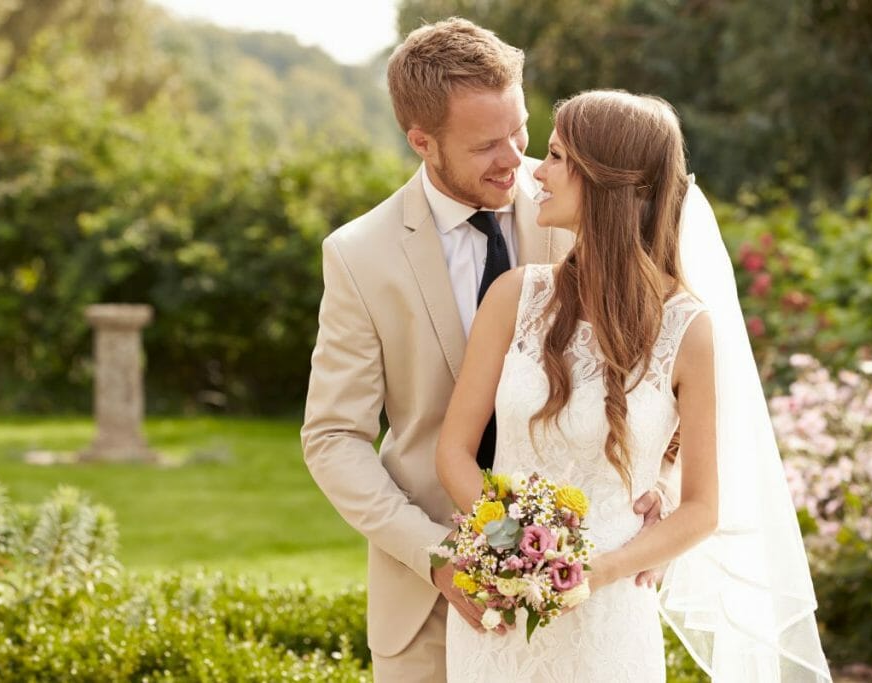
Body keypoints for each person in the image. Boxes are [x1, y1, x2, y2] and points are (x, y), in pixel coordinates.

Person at [301, 20, 676, 681]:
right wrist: (439, 556)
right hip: (425, 601)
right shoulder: (360, 256)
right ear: (422, 141)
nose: (516, 160)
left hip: (580, 593)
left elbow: (662, 365)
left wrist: (660, 490)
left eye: (520, 130)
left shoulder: (581, 201)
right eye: (485, 145)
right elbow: (334, 437)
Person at [436, 90, 831, 681]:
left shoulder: (688, 330)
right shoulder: (515, 297)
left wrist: (596, 572)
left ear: (606, 183)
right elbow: (453, 453)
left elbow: (701, 508)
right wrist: (514, 544)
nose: (535, 173)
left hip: (610, 619)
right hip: (500, 612)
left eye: (557, 158)